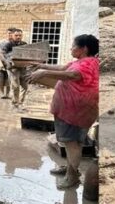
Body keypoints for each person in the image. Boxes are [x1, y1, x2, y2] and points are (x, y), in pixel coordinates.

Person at [30, 35, 99, 194]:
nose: (71, 49)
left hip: (74, 110)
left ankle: (72, 175)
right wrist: (42, 66)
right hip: (75, 109)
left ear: (84, 49)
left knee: (71, 143)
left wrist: (43, 72)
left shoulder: (86, 65)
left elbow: (72, 75)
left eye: (73, 46)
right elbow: (64, 68)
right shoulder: (83, 62)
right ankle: (70, 168)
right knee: (73, 142)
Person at [2, 29, 29, 106]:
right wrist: (9, 60)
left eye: (20, 35)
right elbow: (3, 54)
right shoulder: (8, 45)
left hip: (23, 68)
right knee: (15, 86)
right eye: (16, 35)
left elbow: (28, 54)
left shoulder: (24, 44)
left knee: (25, 86)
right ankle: (15, 102)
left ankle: (21, 101)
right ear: (12, 36)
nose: (18, 37)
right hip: (13, 68)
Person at [0, 28, 15, 99]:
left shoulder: (14, 43)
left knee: (8, 80)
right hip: (0, 64)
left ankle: (7, 94)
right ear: (6, 34)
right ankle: (2, 93)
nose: (9, 35)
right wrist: (1, 62)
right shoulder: (1, 42)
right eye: (8, 33)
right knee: (0, 79)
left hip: (10, 64)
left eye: (11, 33)